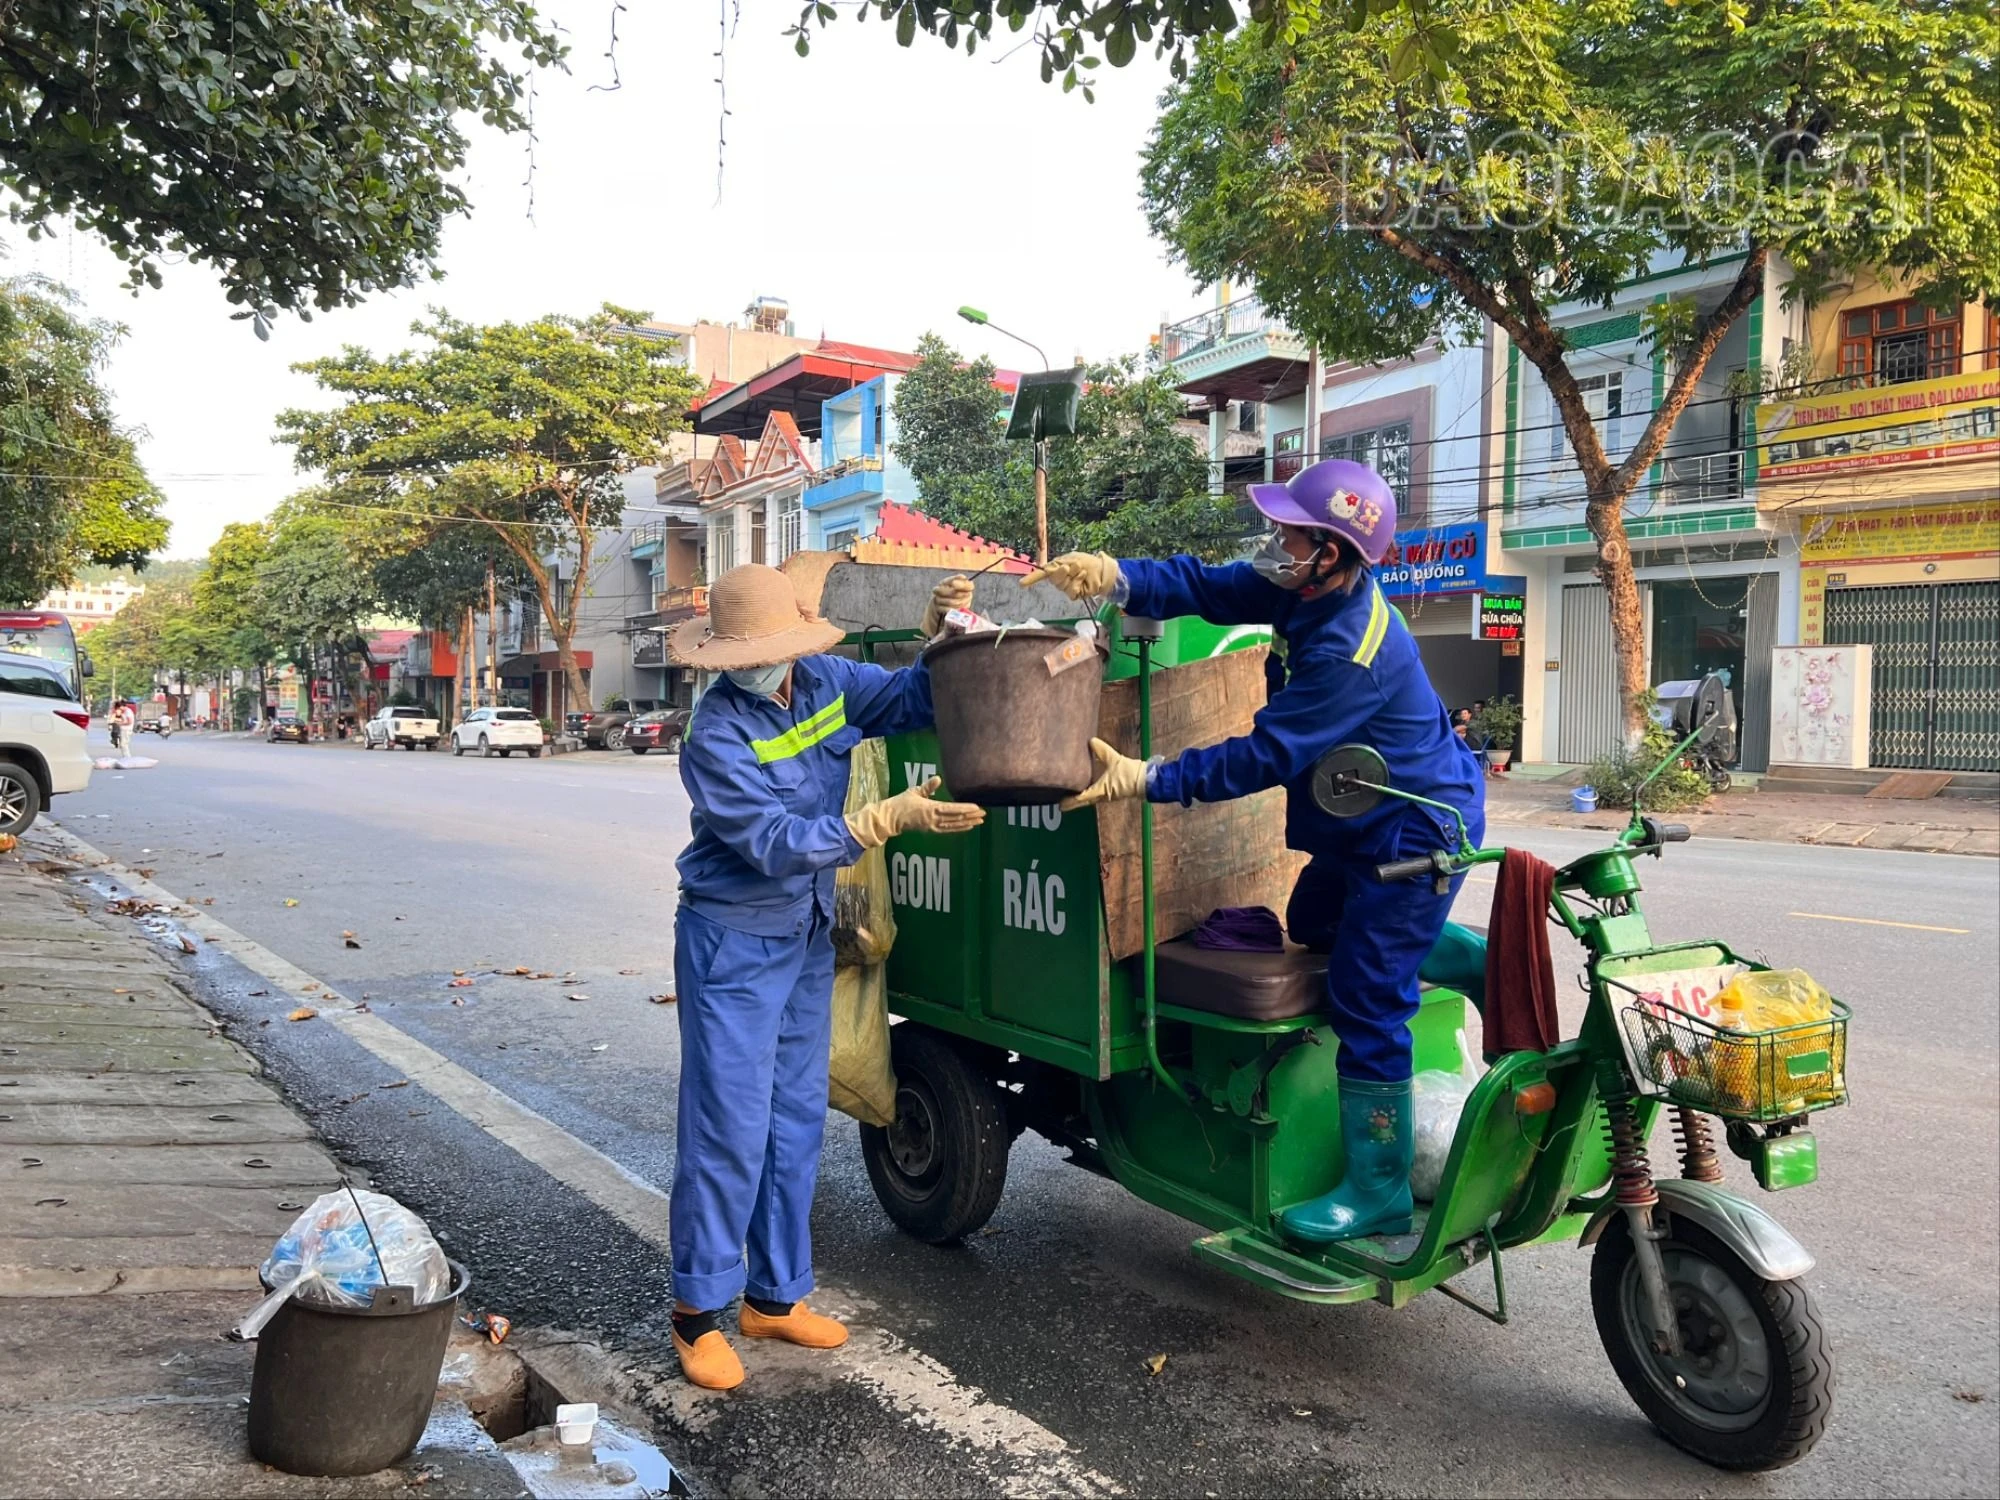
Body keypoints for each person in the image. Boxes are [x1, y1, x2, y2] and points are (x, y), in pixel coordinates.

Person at [1024, 458, 1485, 1246]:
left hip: (1413, 830)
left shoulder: (1350, 653)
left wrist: (1149, 777)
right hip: (1364, 818)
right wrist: (1117, 576)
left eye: (1290, 532)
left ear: (1331, 553)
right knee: (1313, 920)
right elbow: (1210, 587)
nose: (1275, 540)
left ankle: (1375, 1187)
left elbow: (1262, 756)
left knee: (1364, 996)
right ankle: (1466, 957)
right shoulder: (1304, 587)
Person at [665, 563, 985, 1391]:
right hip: (731, 942)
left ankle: (773, 1296)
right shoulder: (715, 736)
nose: (761, 664)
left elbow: (912, 700)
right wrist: (886, 817)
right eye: (746, 655)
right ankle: (696, 1313)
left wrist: (940, 633)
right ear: (723, 659)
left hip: (806, 936)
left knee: (795, 1119)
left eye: (770, 650)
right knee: (727, 1128)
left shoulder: (832, 682)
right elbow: (771, 843)